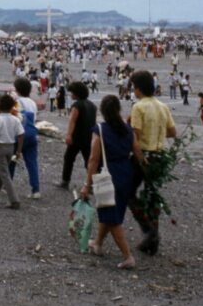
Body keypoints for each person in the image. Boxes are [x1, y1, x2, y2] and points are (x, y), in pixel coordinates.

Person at [79, 95, 142, 269]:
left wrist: (87, 184)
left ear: (103, 111)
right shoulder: (128, 129)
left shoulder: (99, 129)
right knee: (111, 211)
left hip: (108, 176)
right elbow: (137, 151)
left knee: (112, 217)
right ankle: (97, 244)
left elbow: (93, 159)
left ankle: (128, 256)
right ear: (119, 109)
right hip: (126, 173)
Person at [127, 70, 177, 256]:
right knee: (152, 194)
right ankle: (153, 238)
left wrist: (140, 158)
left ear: (138, 89)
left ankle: (148, 230)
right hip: (159, 156)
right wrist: (156, 131)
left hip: (143, 155)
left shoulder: (138, 107)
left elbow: (135, 138)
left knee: (128, 193)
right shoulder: (163, 106)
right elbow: (172, 132)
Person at [0, 94, 24, 209]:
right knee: (2, 172)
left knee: (4, 174)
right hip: (11, 148)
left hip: (0, 148)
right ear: (12, 106)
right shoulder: (15, 119)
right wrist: (19, 151)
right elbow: (21, 135)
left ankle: (14, 200)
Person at [55, 81, 96, 189]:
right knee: (89, 161)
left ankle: (65, 181)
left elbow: (72, 120)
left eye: (72, 92)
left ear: (76, 93)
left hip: (77, 138)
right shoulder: (92, 105)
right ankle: (91, 184)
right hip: (89, 137)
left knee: (69, 158)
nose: (70, 94)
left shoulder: (77, 105)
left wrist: (68, 135)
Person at [8, 77, 41, 199]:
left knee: (12, 160)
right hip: (32, 134)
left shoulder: (17, 101)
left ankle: (8, 186)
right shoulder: (32, 103)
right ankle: (35, 190)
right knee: (32, 162)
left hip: (19, 135)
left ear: (17, 90)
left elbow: (13, 116)